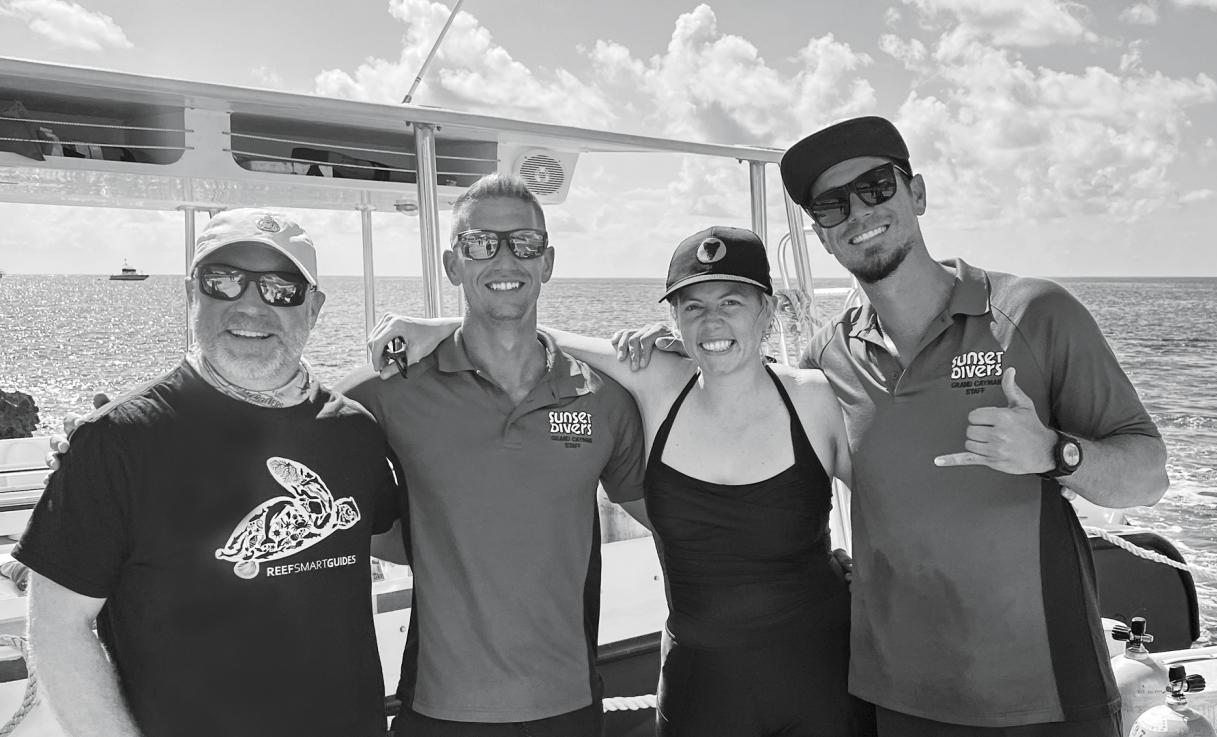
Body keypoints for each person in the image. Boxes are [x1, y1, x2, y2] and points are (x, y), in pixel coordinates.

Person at [367, 226, 858, 737]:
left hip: (820, 672)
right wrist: (441, 329)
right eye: (692, 307)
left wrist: (871, 574)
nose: (713, 321)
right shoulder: (655, 387)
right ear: (673, 318)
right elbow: (533, 338)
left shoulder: (817, 399)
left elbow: (892, 503)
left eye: (731, 301)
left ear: (767, 310)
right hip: (703, 686)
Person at [774, 116, 1170, 736]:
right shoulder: (826, 358)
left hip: (1046, 691)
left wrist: (1055, 452)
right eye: (831, 205)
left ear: (918, 194)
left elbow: (1147, 476)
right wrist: (675, 352)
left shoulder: (1035, 314)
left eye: (878, 186)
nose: (858, 211)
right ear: (822, 236)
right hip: (900, 695)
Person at [15, 209, 402, 737]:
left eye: (280, 289)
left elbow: (396, 541)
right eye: (223, 282)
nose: (250, 304)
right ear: (191, 296)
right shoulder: (117, 441)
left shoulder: (353, 433)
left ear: (314, 308)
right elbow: (58, 629)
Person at [336, 173, 648, 737]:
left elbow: (680, 525)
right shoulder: (392, 389)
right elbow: (295, 431)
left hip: (568, 703)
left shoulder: (605, 400)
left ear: (547, 262)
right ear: (454, 265)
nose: (504, 259)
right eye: (481, 244)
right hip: (437, 708)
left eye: (523, 244)